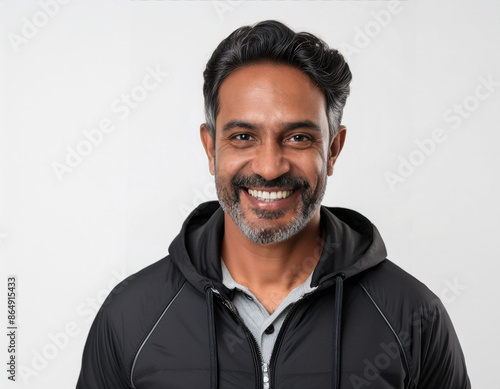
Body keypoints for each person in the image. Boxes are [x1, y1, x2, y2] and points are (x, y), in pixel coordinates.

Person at [76, 20, 470, 389]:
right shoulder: (130, 317)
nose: (268, 168)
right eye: (244, 136)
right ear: (211, 148)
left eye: (298, 137)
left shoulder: (414, 316)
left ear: (333, 149)